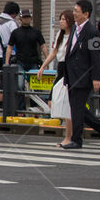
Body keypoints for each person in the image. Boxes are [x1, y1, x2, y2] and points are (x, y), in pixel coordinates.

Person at [62, 0, 100, 150]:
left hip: (83, 76)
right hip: (71, 75)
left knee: (77, 109)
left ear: (86, 14)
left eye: (77, 11)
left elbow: (96, 56)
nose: (74, 13)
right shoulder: (75, 28)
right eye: (74, 10)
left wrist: (96, 78)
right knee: (77, 108)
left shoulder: (92, 31)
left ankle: (77, 140)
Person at [38, 10, 76, 147]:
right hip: (60, 68)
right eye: (60, 19)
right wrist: (43, 66)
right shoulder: (60, 35)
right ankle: (70, 134)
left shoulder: (74, 35)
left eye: (64, 19)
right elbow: (54, 52)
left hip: (69, 69)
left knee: (66, 104)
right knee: (56, 100)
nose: (61, 21)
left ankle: (69, 136)